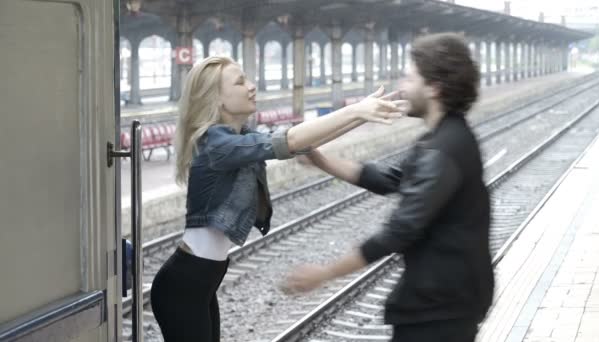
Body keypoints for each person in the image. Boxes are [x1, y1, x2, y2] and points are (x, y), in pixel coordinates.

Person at [150, 56, 407, 342]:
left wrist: (360, 114)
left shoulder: (240, 137)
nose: (251, 86)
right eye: (239, 81)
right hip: (183, 285)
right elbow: (291, 141)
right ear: (218, 99)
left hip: (201, 281)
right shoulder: (217, 145)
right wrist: (356, 110)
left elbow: (302, 142)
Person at [283, 32, 495, 342]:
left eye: (409, 78)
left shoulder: (441, 151)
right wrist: (318, 159)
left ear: (434, 87)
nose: (401, 87)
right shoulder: (447, 138)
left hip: (438, 309)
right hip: (447, 300)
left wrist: (325, 273)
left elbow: (400, 230)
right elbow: (387, 179)